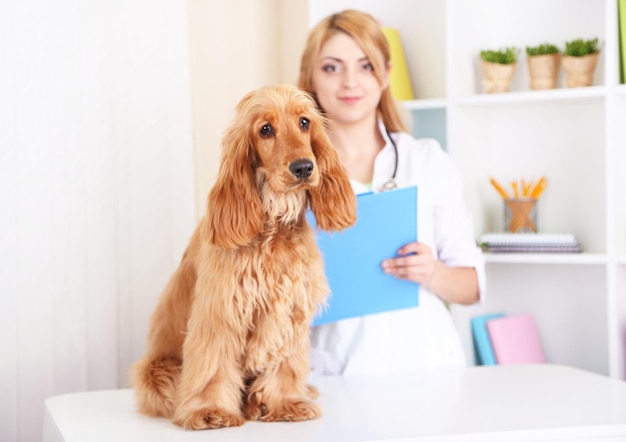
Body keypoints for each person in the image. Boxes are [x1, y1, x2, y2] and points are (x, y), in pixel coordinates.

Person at [298, 9, 486, 376]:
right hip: (330, 370)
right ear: (311, 79)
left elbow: (473, 286)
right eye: (332, 67)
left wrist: (431, 272)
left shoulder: (428, 160)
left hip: (426, 367)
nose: (350, 82)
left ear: (385, 75)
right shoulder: (292, 174)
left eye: (365, 66)